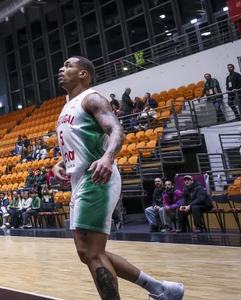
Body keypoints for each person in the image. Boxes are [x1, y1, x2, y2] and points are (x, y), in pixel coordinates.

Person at [54, 56, 183, 300]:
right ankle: (161, 289)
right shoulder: (67, 105)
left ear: (83, 73)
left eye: (69, 65)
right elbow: (82, 141)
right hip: (80, 178)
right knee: (88, 252)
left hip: (97, 177)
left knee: (91, 253)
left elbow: (116, 130)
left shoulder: (92, 99)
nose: (61, 69)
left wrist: (108, 158)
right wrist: (60, 163)